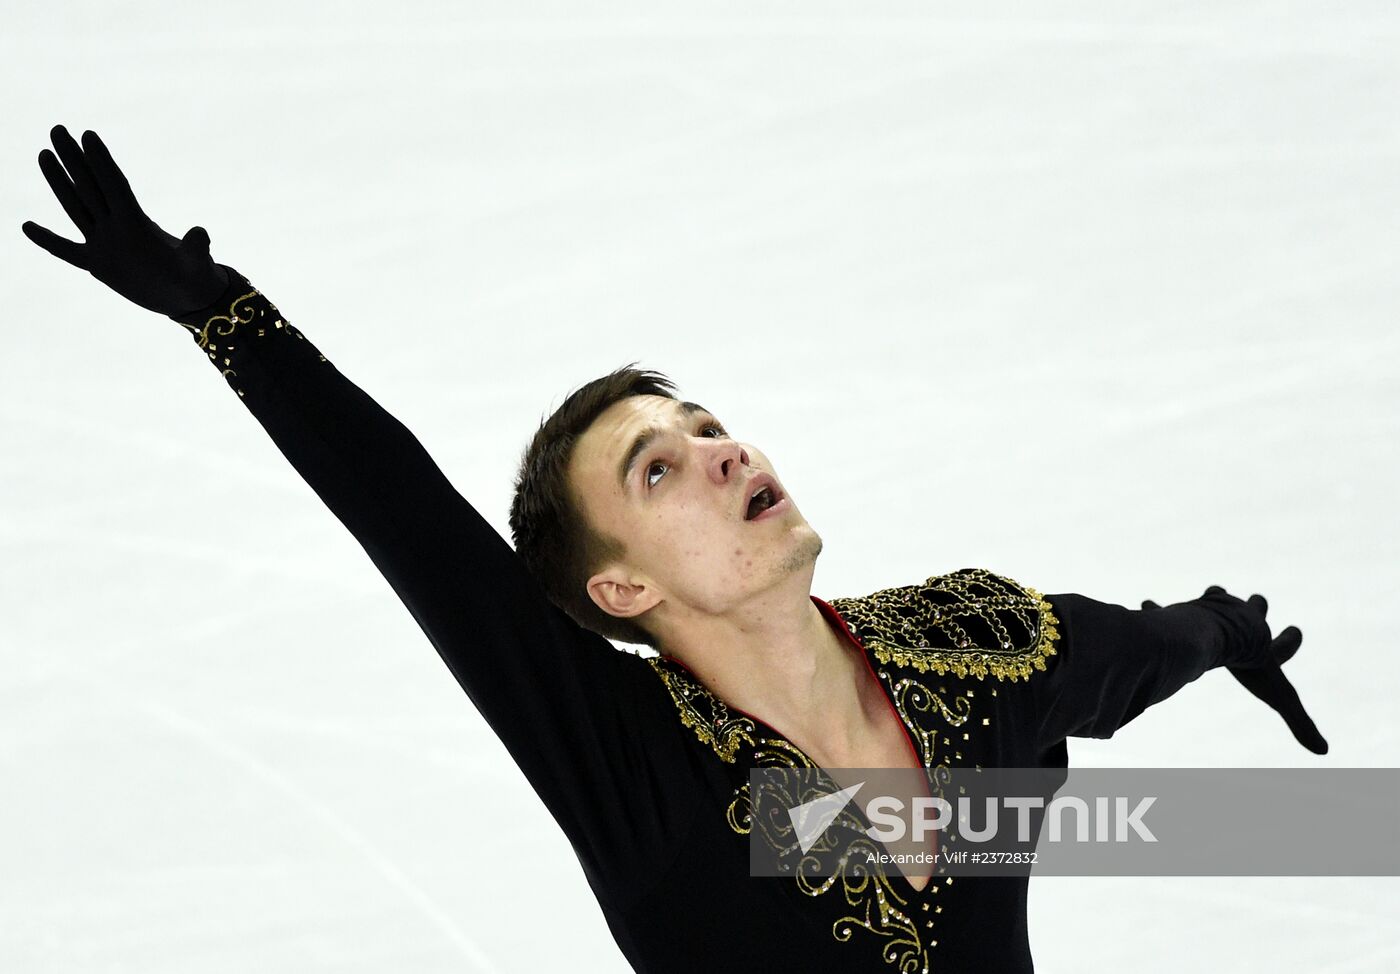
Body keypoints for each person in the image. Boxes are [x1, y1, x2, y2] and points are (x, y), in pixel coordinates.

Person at [22, 123, 1327, 973]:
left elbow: (1143, 648)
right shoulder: (643, 775)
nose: (720, 449)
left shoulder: (978, 647)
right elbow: (416, 526)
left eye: (707, 425)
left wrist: (1227, 630)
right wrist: (224, 316)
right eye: (660, 466)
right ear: (621, 585)